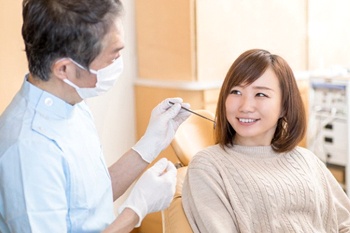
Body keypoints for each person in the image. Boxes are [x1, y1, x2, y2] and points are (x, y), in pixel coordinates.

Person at [0, 0, 191, 232]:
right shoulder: (29, 151)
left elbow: (85, 202)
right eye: (112, 57)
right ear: (64, 69)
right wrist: (135, 211)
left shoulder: (71, 102)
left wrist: (150, 145)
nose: (117, 64)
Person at [182, 49, 350, 232]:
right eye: (236, 92)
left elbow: (345, 223)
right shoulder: (208, 166)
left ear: (285, 106)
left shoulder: (306, 160)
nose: (245, 106)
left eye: (261, 94)